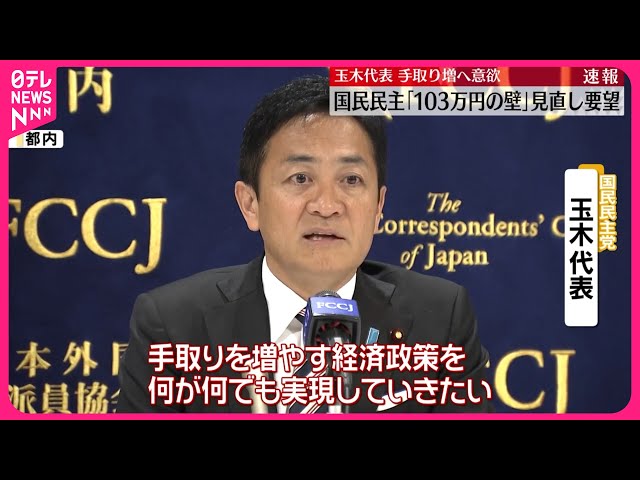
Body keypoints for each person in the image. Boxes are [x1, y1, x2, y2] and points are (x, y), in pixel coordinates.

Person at [116, 74, 494, 414]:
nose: (326, 206)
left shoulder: (440, 320)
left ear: (378, 207)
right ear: (251, 204)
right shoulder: (173, 326)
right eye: (300, 178)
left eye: (350, 180)